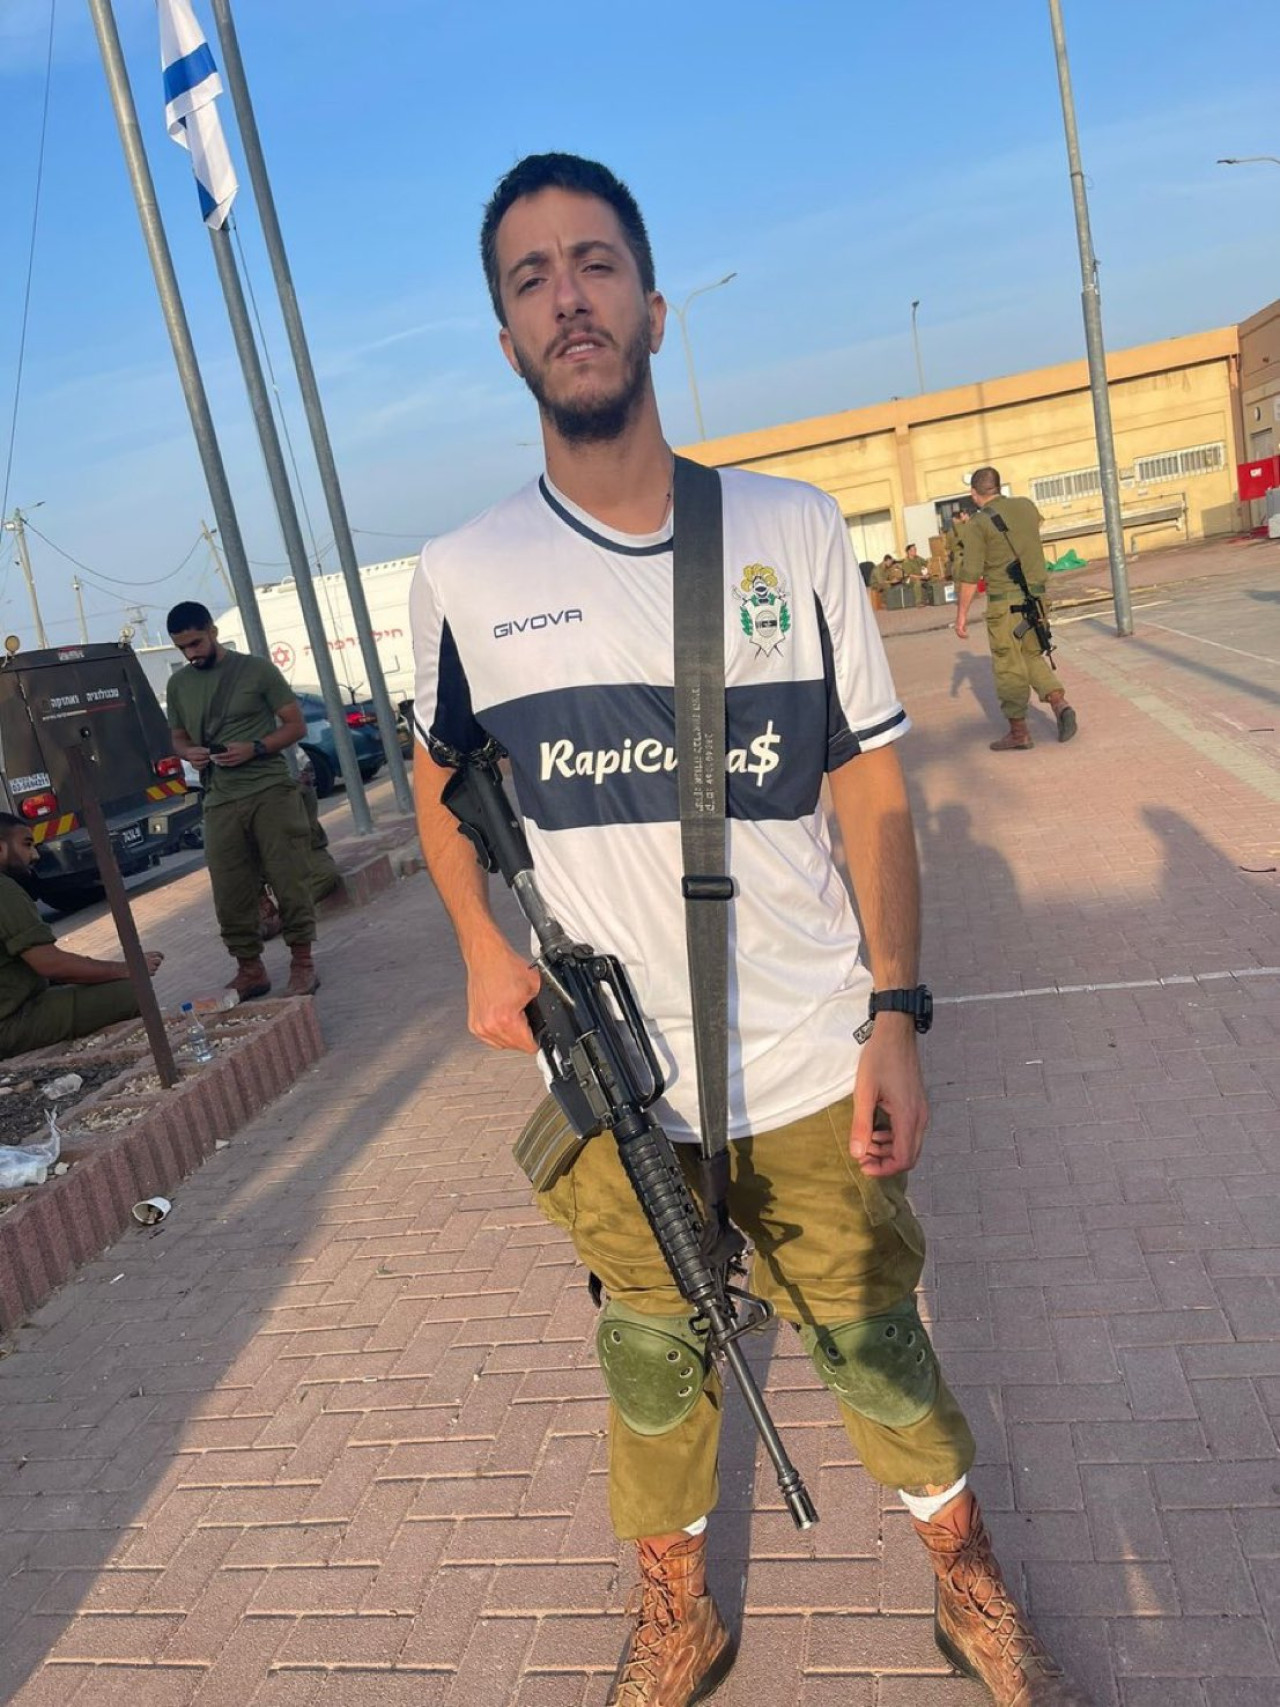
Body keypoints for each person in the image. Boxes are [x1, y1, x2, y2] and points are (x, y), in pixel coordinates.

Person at [411, 153, 1090, 1707]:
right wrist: (475, 943)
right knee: (650, 1359)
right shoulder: (461, 574)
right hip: (606, 1079)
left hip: (801, 1046)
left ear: (652, 308)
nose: (565, 295)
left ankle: (965, 1576)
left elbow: (868, 783)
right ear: (508, 338)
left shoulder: (790, 529)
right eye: (530, 278)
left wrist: (899, 1009)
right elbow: (442, 777)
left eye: (592, 264)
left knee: (873, 1336)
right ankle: (677, 1611)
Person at [164, 602, 319, 998]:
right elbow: (177, 737)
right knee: (230, 891)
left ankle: (303, 964)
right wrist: (189, 753)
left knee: (289, 879)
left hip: (269, 790)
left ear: (212, 631)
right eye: (182, 648)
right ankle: (250, 969)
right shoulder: (179, 685)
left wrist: (256, 747)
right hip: (219, 798)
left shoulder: (256, 670)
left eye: (196, 643)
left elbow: (295, 725)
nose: (191, 654)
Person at [0, 814, 162, 1058]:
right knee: (133, 993)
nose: (35, 855)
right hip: (11, 1023)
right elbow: (50, 964)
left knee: (90, 983)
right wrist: (126, 968)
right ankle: (131, 1063)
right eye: (26, 844)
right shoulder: (4, 890)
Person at [953, 468, 1078, 750]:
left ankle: (1019, 732)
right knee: (1032, 656)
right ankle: (1060, 704)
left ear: (974, 494)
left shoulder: (976, 524)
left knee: (1008, 666)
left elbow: (970, 575)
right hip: (1035, 599)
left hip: (1005, 605)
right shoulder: (1026, 506)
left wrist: (961, 616)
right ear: (999, 487)